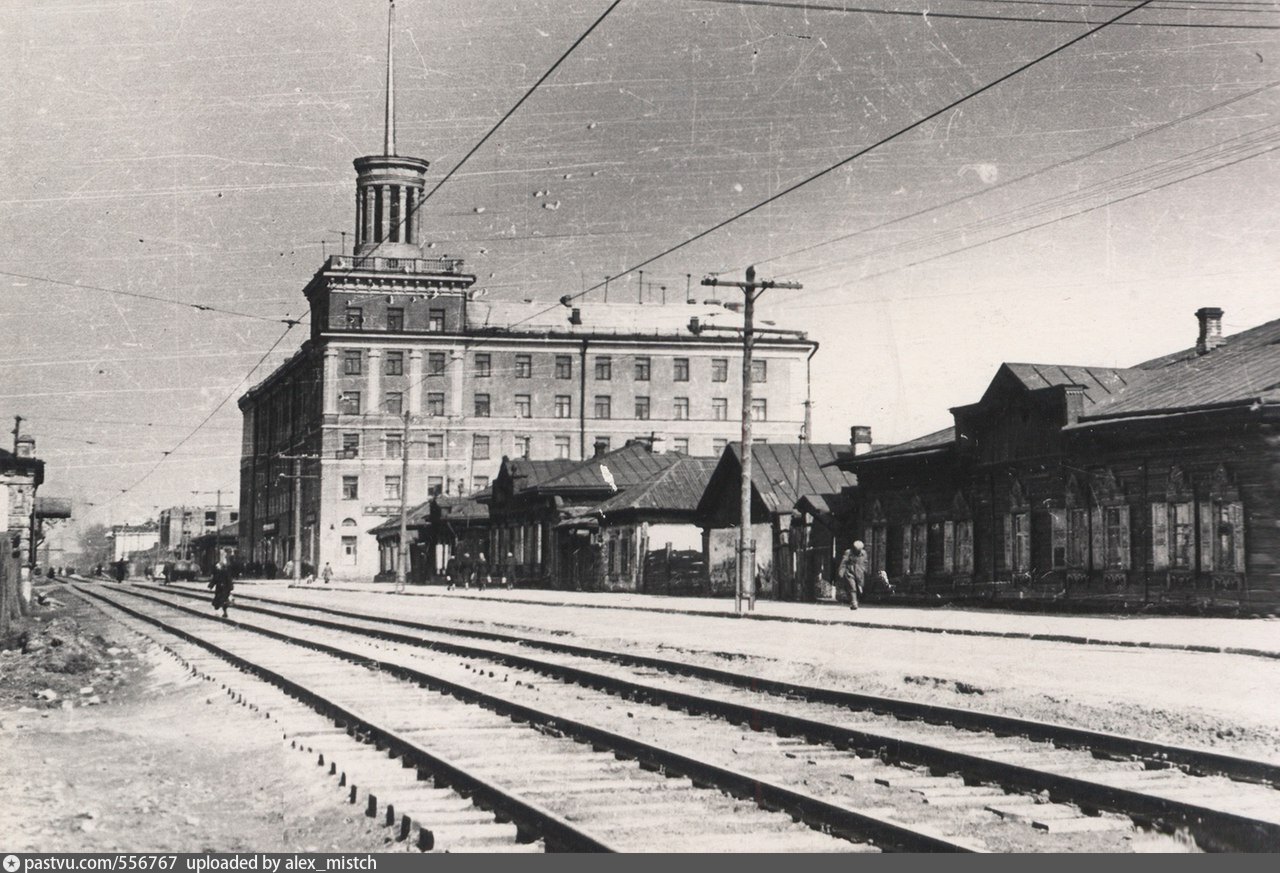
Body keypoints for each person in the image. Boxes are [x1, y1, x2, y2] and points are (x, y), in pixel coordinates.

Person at [837, 540, 868, 610]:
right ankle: (854, 603)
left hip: (860, 573)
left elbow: (865, 562)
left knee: (860, 588)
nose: (858, 552)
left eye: (859, 550)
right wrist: (841, 572)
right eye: (856, 550)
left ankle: (856, 601)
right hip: (850, 571)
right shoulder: (848, 552)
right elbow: (843, 562)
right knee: (852, 587)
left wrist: (865, 570)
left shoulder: (864, 553)